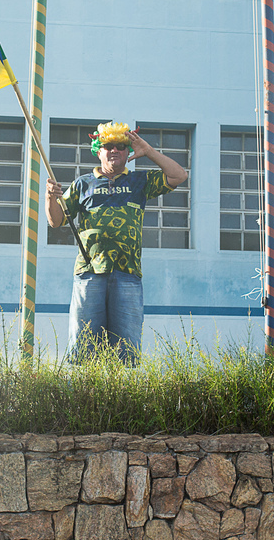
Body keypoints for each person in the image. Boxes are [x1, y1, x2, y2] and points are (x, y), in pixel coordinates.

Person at [46, 122, 188, 365]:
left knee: (125, 352)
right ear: (98, 151)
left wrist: (149, 151)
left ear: (127, 151)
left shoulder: (139, 182)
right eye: (108, 146)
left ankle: (118, 399)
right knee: (84, 349)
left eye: (121, 147)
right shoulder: (83, 184)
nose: (114, 151)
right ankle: (86, 399)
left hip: (128, 274)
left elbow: (179, 175)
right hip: (89, 273)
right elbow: (55, 221)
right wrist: (50, 196)